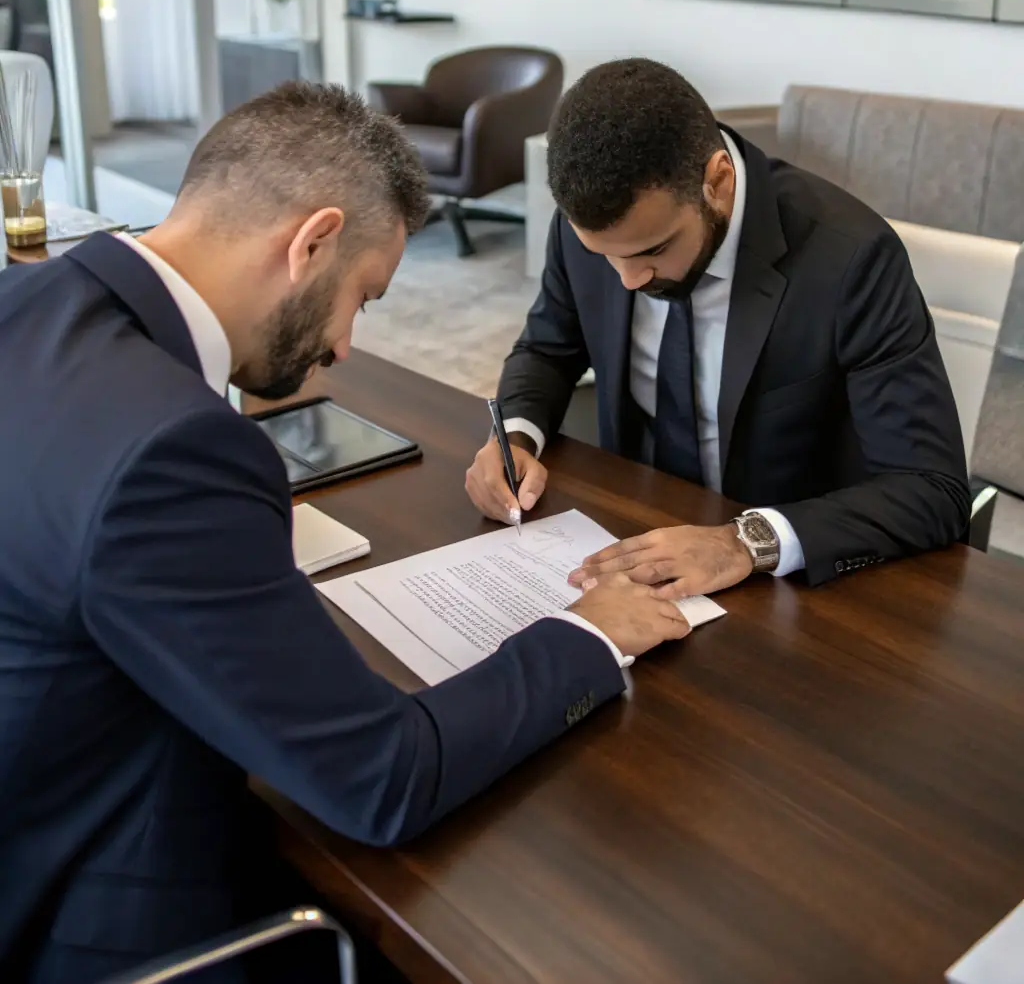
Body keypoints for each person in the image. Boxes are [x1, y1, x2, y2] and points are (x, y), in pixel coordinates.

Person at [0, 83, 691, 984]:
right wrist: (591, 632)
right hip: (87, 919)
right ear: (312, 241)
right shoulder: (176, 448)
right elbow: (380, 780)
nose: (346, 346)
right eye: (362, 297)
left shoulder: (32, 299)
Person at [467, 58, 969, 596]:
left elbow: (931, 489)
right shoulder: (592, 228)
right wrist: (514, 438)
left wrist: (742, 542)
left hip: (788, 590)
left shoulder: (851, 259)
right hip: (633, 539)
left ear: (717, 183)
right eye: (605, 256)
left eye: (654, 249)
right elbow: (548, 348)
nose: (629, 279)